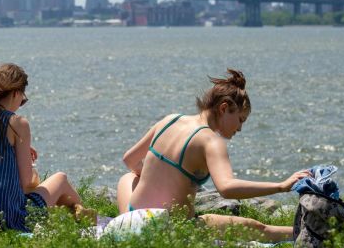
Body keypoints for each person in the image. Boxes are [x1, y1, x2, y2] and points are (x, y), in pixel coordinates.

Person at [116, 69, 310, 243]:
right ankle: (315, 234)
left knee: (129, 177)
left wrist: (156, 177)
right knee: (259, 229)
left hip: (131, 219)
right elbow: (226, 188)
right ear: (224, 108)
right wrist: (281, 186)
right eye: (240, 120)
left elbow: (129, 160)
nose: (240, 128)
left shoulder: (170, 119)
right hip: (167, 230)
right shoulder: (210, 141)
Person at [0, 63, 93, 231]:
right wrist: (33, 171)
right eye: (22, 100)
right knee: (61, 179)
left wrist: (15, 154)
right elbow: (26, 184)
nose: (20, 104)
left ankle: (76, 216)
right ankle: (87, 221)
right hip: (7, 219)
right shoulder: (17, 123)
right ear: (16, 93)